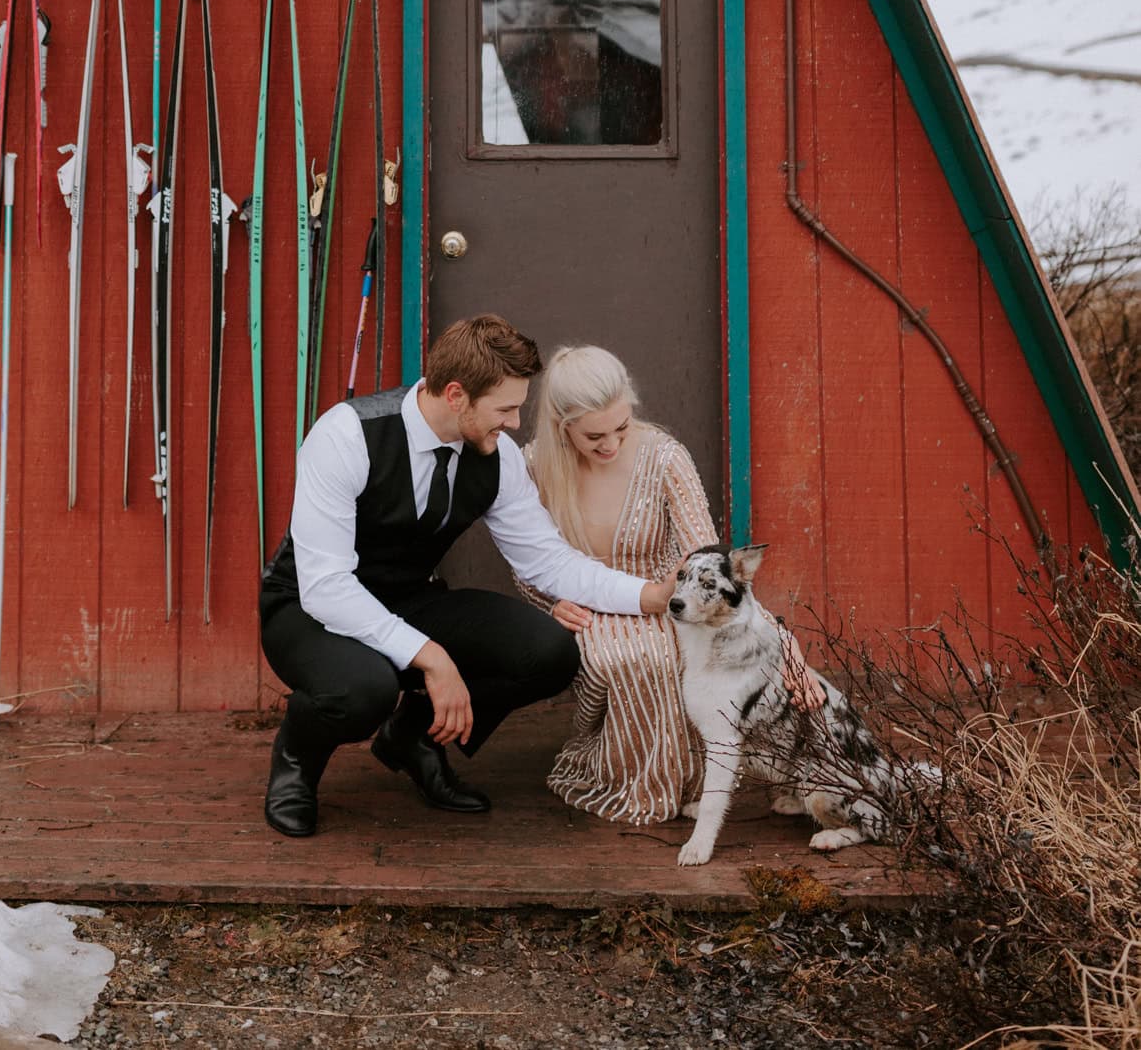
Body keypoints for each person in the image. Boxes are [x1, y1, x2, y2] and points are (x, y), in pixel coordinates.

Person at [258, 314, 669, 838]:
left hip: (408, 599)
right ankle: (297, 756)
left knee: (549, 653)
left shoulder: (495, 457)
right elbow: (326, 588)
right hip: (307, 610)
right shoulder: (346, 435)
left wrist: (651, 595)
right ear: (456, 395)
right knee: (365, 690)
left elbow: (548, 561)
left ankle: (413, 737)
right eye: (506, 409)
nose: (516, 423)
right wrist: (432, 658)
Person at [522, 344, 822, 827]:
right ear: (562, 425)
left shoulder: (664, 457)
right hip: (589, 605)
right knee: (629, 658)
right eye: (594, 435)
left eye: (622, 427)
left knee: (673, 653)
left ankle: (696, 781)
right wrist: (550, 600)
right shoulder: (532, 465)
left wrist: (783, 643)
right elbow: (527, 558)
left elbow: (710, 562)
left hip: (669, 596)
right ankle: (631, 779)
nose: (611, 445)